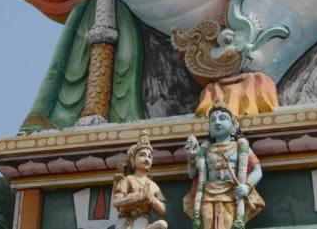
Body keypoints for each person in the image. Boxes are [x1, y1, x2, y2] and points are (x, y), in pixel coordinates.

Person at [184, 98, 265, 229]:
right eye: (213, 120)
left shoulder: (240, 147)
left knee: (228, 222)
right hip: (208, 194)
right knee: (207, 221)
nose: (217, 122)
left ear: (233, 127)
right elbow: (192, 174)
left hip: (231, 193)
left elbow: (257, 170)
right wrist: (192, 158)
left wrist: (247, 186)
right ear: (209, 128)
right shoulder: (204, 150)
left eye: (222, 118)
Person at [113, 131, 168, 229]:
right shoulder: (128, 179)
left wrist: (151, 199)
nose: (146, 158)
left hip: (143, 223)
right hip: (126, 222)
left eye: (149, 156)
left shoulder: (153, 185)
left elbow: (162, 210)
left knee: (162, 225)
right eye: (142, 155)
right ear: (133, 160)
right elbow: (116, 202)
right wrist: (138, 196)